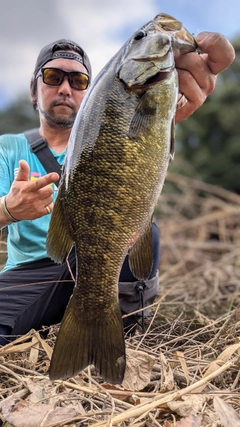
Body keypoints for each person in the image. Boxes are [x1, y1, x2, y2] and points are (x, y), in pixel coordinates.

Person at [0, 32, 235, 345]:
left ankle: (113, 334)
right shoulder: (7, 148)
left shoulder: (127, 133)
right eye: (53, 77)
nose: (65, 88)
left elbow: (148, 120)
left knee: (142, 231)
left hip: (110, 263)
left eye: (79, 81)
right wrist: (8, 209)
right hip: (31, 272)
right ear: (34, 90)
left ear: (91, 92)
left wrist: (166, 111)